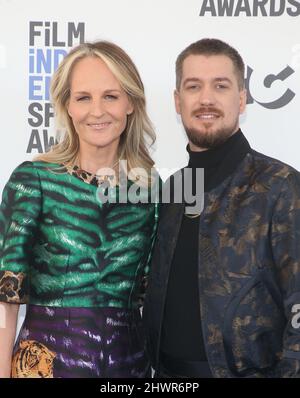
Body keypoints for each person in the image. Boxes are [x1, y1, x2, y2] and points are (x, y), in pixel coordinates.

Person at [0, 41, 159, 378]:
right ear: (67, 106)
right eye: (83, 97)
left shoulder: (150, 190)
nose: (97, 111)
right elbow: (5, 298)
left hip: (128, 368)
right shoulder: (34, 180)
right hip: (44, 367)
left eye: (111, 96)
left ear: (130, 103)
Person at [143, 38, 300, 378]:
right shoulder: (171, 189)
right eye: (193, 86)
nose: (206, 99)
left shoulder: (280, 186)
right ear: (177, 100)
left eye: (221, 86)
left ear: (241, 99)